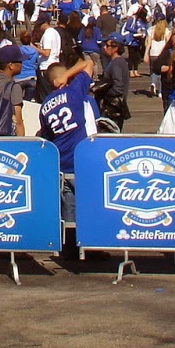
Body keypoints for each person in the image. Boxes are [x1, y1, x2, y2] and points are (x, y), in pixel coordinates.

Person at [37, 57, 100, 246]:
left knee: (69, 207)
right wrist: (68, 74)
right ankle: (89, 247)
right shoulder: (73, 91)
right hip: (81, 159)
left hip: (62, 160)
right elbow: (88, 62)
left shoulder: (44, 106)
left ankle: (70, 247)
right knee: (90, 205)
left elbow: (47, 137)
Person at [92, 37, 130, 131]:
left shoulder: (116, 64)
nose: (104, 47)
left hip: (112, 108)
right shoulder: (119, 62)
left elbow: (118, 87)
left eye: (107, 45)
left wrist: (101, 90)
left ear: (115, 48)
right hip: (115, 107)